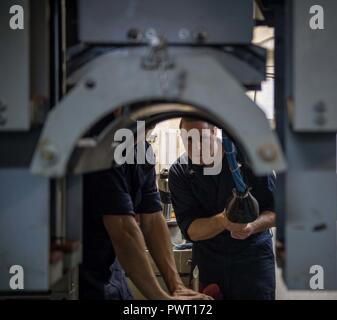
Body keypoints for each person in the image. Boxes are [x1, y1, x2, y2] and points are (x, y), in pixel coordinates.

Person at [79, 119, 211, 300]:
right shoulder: (102, 151)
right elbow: (123, 230)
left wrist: (176, 286)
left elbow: (153, 218)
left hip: (112, 270)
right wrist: (160, 298)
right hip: (84, 275)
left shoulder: (142, 150)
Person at [169, 118, 276, 300]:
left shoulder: (249, 158)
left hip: (253, 259)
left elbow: (277, 210)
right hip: (209, 263)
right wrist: (225, 221)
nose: (196, 146)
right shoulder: (180, 173)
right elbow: (191, 230)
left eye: (202, 137)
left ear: (214, 132)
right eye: (189, 139)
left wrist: (252, 226)